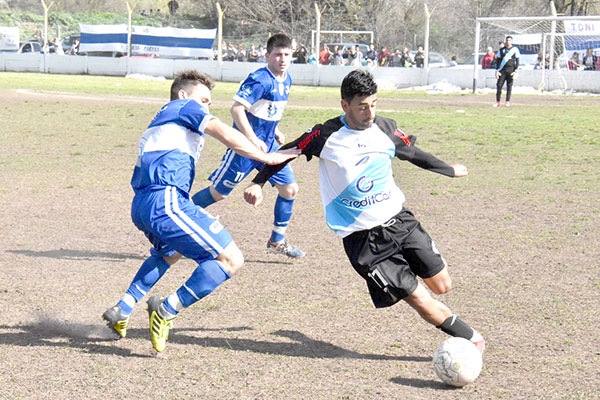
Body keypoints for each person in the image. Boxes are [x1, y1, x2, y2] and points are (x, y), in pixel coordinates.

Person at [243, 69, 485, 355]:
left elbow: (412, 153)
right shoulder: (324, 135)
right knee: (420, 298)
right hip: (365, 243)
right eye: (362, 106)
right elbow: (287, 151)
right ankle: (473, 340)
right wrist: (258, 182)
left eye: (373, 104)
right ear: (345, 105)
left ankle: (419, 283)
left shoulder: (385, 128)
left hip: (401, 222)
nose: (370, 113)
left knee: (442, 285)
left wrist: (448, 170)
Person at [101, 70, 298, 352]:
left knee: (170, 251)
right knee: (231, 260)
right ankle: (166, 309)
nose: (207, 107)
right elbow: (226, 133)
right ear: (183, 95)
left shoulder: (164, 119)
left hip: (144, 204)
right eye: (204, 100)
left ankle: (124, 306)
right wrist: (267, 157)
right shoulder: (183, 106)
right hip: (166, 200)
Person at [192, 34, 305, 258]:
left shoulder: (287, 79)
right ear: (267, 56)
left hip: (269, 147)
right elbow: (236, 109)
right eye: (277, 54)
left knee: (290, 189)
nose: (282, 59)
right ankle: (176, 222)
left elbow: (269, 110)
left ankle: (276, 241)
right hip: (244, 148)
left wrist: (276, 129)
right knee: (219, 194)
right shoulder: (260, 79)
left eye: (286, 54)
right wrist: (252, 138)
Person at [494, 36, 520, 107]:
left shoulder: (515, 50)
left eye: (509, 40)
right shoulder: (501, 50)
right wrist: (497, 70)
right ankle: (498, 101)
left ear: (512, 41)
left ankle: (507, 101)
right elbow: (498, 60)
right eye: (507, 40)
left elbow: (517, 60)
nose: (508, 42)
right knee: (499, 85)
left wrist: (516, 70)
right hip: (502, 70)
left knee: (509, 86)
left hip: (511, 69)